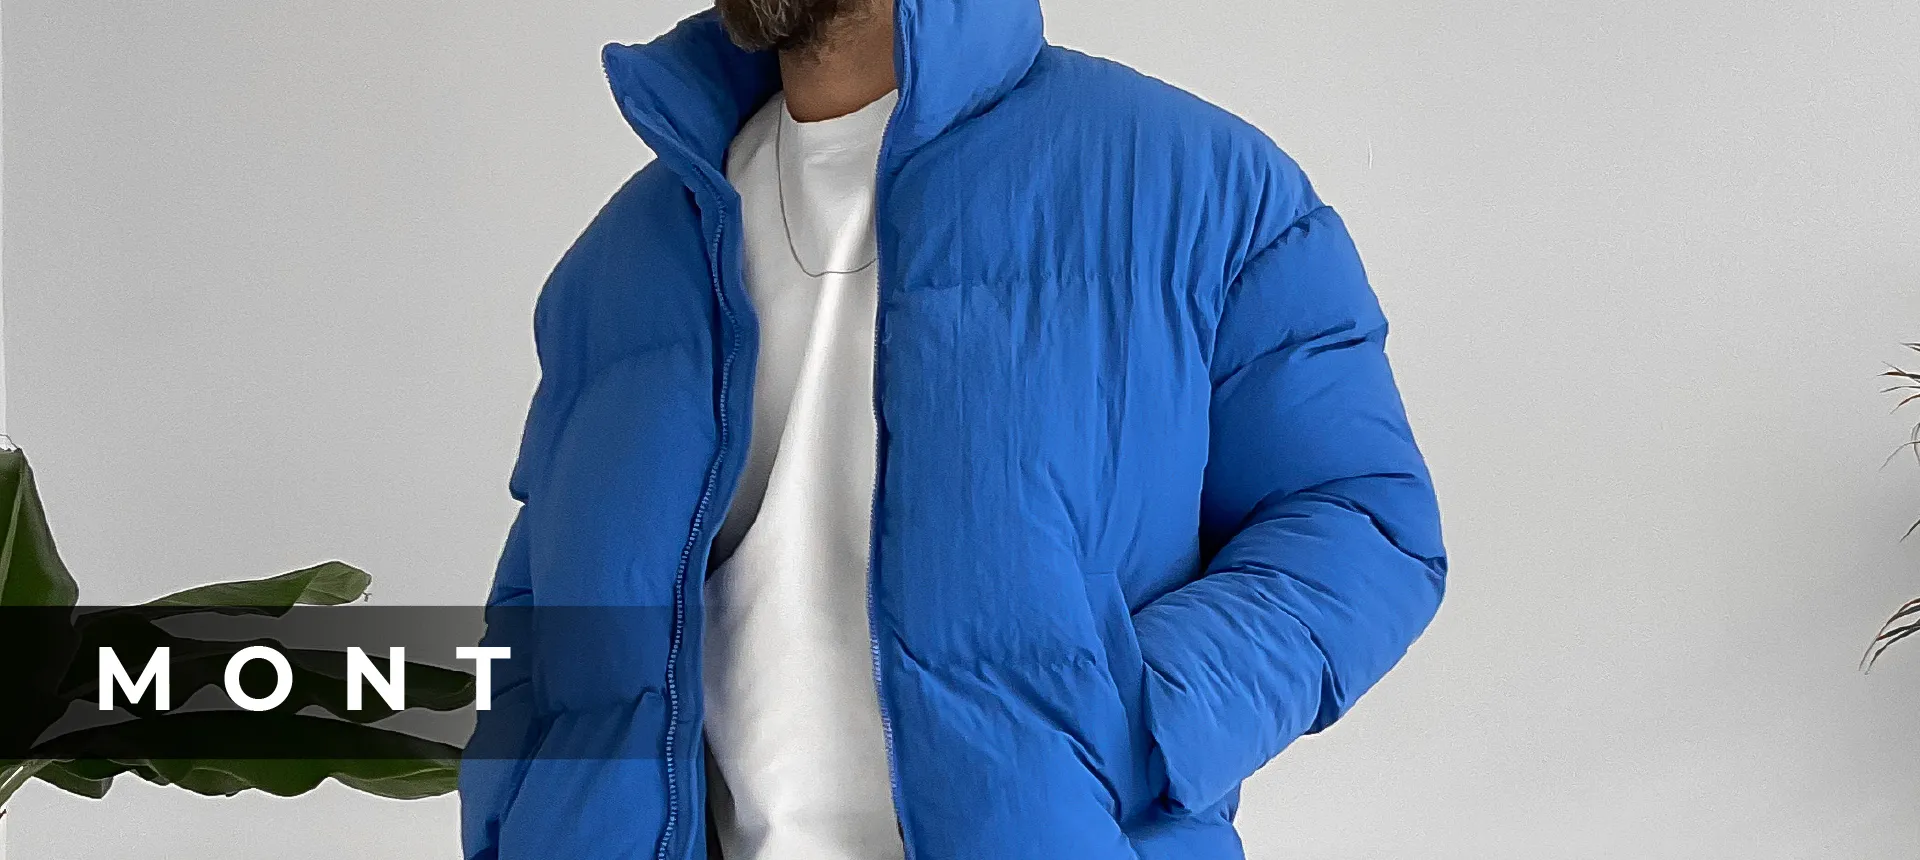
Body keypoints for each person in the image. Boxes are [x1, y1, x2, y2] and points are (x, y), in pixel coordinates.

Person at [459, 1, 1448, 858]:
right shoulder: (621, 259)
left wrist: (1139, 713)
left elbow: (1363, 523)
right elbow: (538, 623)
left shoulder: (1196, 188)